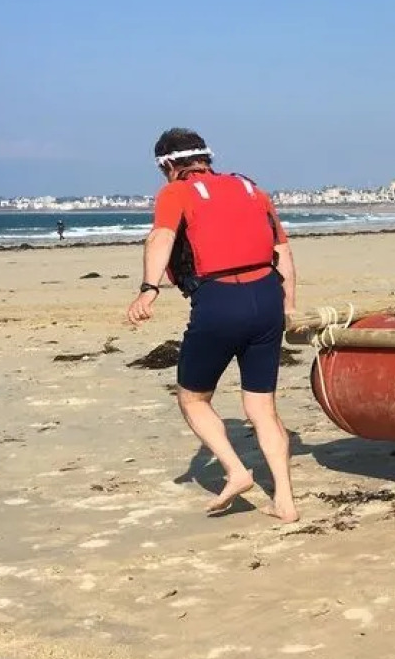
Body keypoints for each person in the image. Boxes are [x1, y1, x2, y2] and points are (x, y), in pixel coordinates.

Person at [125, 128, 299, 523]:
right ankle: (286, 502)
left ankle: (237, 472)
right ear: (206, 159)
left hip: (220, 301)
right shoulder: (251, 189)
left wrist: (149, 289)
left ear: (169, 165)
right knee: (262, 408)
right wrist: (288, 307)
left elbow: (161, 238)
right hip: (267, 297)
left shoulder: (176, 192)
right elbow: (283, 253)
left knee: (193, 399)